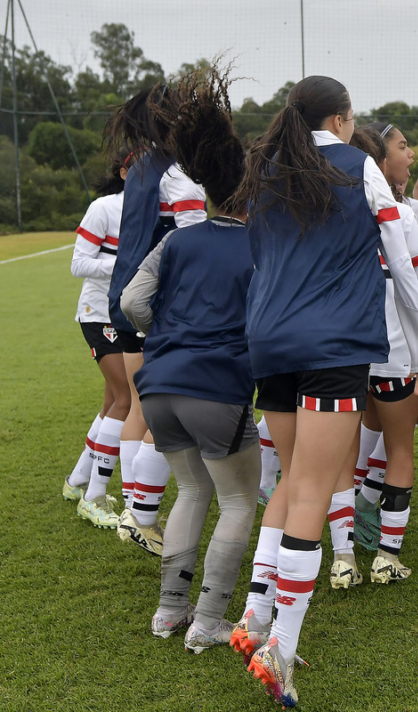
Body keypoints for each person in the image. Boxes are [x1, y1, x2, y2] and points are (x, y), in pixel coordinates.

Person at [226, 76, 418, 708]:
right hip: (334, 347)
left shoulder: (261, 169)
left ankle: (255, 616)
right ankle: (280, 650)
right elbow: (401, 261)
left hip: (269, 342)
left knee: (292, 479)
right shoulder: (359, 167)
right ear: (343, 120)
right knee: (316, 487)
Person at [119, 65, 260, 654]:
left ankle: (167, 611)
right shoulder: (260, 245)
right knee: (237, 500)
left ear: (203, 192)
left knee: (191, 492)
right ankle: (207, 620)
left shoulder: (177, 238)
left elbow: (131, 300)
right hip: (216, 386)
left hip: (159, 387)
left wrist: (167, 336)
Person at [326, 126, 418, 588]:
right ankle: (387, 558)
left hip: (342, 353)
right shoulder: (394, 212)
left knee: (342, 455)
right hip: (392, 351)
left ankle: (343, 558)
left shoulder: (325, 213)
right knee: (400, 449)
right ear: (373, 165)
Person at [102, 84, 208, 552]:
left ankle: (133, 505)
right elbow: (195, 240)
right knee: (160, 410)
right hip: (157, 304)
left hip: (125, 297)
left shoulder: (143, 164)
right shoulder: (177, 172)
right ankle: (138, 513)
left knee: (141, 407)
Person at [65, 159, 129, 519]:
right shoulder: (103, 208)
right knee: (126, 399)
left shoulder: (155, 208)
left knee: (112, 400)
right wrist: (125, 263)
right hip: (99, 314)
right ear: (124, 172)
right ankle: (94, 496)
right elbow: (79, 264)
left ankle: (76, 481)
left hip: (130, 316)